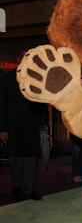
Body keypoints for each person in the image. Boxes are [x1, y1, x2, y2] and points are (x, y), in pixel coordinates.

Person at [0, 52, 47, 201]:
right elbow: (1, 105)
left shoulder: (36, 77)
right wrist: (3, 128)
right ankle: (18, 188)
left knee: (31, 158)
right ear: (18, 59)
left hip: (32, 124)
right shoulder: (6, 78)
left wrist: (43, 122)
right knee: (15, 158)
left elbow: (42, 101)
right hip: (12, 125)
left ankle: (29, 190)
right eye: (24, 57)